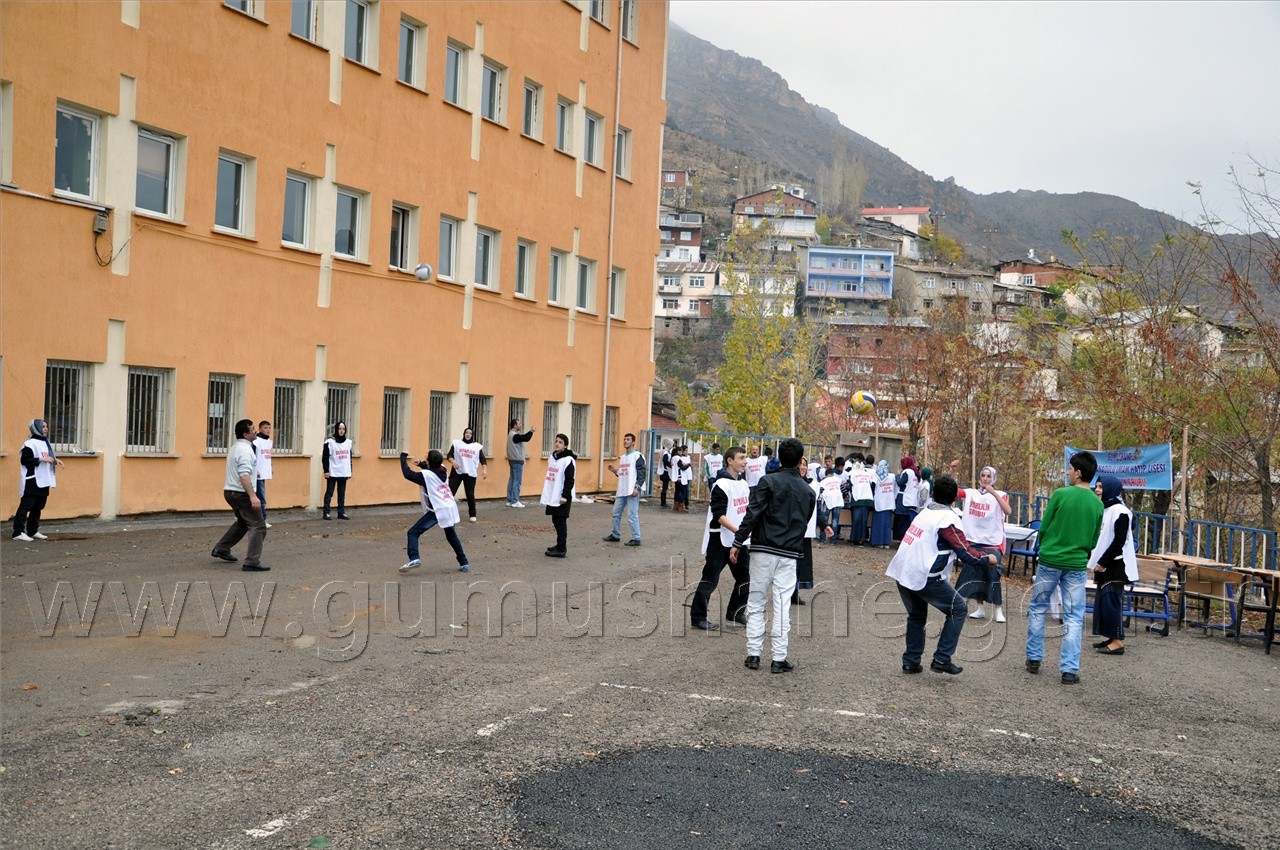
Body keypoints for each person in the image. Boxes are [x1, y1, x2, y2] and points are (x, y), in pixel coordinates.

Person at [886, 475, 996, 675]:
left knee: (917, 615)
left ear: (934, 494)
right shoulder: (947, 519)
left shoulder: (925, 512)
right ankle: (942, 659)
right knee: (959, 609)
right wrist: (987, 558)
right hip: (924, 574)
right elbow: (965, 552)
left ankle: (911, 662)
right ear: (955, 498)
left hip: (903, 570)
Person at [730, 437, 814, 674]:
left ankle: (754, 654)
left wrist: (738, 542)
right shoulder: (808, 491)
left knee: (756, 602)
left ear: (778, 457)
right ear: (800, 461)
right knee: (781, 605)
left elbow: (752, 513)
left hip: (762, 550)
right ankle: (779, 658)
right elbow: (804, 523)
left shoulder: (767, 482)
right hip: (788, 553)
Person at [1026, 450, 1103, 685]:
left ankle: (1034, 658)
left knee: (1039, 608)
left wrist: (1047, 545)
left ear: (1078, 472)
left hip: (1050, 560)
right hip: (1077, 565)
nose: (1068, 473)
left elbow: (1045, 527)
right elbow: (1093, 540)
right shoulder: (1097, 504)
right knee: (1074, 616)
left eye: (1070, 469)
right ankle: (1069, 670)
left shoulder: (1060, 495)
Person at [691, 446, 751, 631]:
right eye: (741, 458)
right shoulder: (721, 485)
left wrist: (743, 535)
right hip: (719, 540)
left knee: (745, 578)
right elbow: (719, 515)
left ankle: (735, 612)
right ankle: (698, 617)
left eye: (746, 457)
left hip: (738, 541)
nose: (745, 461)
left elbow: (744, 511)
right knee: (710, 579)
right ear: (730, 461)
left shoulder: (743, 484)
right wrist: (738, 531)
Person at [955, 465, 1013, 623]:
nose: (985, 479)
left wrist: (993, 493)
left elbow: (1008, 511)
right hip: (974, 540)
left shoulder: (1000, 494)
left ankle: (998, 609)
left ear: (993, 478)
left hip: (992, 542)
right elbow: (955, 492)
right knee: (974, 575)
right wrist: (955, 472)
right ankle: (980, 608)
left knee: (993, 575)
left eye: (988, 476)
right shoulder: (972, 493)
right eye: (983, 475)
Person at [1089, 474, 1138, 656]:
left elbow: (1119, 540)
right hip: (1105, 564)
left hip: (1116, 565)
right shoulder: (1106, 508)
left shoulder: (1121, 511)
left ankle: (1117, 642)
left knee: (1111, 603)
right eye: (1097, 486)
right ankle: (1111, 637)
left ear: (1110, 488)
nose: (1098, 489)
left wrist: (1103, 562)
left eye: (1101, 486)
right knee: (1103, 602)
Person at [398, 449, 469, 574]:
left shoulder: (427, 476)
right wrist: (421, 464)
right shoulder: (443, 469)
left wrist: (403, 457)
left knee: (413, 533)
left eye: (427, 459)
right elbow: (431, 467)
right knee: (451, 535)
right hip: (449, 506)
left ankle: (414, 558)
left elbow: (407, 474)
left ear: (430, 461)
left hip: (437, 509)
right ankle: (464, 562)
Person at [211, 419, 269, 571]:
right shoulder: (245, 450)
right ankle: (252, 562)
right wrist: (253, 496)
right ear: (246, 434)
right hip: (241, 493)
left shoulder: (236, 447)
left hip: (230, 492)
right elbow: (243, 475)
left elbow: (242, 470)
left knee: (243, 522)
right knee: (258, 526)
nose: (256, 430)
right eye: (253, 429)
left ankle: (222, 548)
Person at [13, 419, 63, 542]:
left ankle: (32, 530)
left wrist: (55, 460)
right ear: (36, 428)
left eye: (46, 426)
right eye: (43, 426)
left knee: (38, 506)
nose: (46, 428)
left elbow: (47, 458)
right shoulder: (29, 443)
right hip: (32, 479)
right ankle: (18, 532)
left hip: (44, 479)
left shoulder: (45, 442)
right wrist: (41, 459)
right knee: (26, 506)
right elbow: (25, 460)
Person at [603, 432, 645, 546]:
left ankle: (636, 538)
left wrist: (637, 487)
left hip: (632, 490)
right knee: (616, 513)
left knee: (632, 514)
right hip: (622, 489)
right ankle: (615, 534)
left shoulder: (637, 456)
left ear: (633, 442)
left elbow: (641, 472)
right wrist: (615, 470)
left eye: (628, 439)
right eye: (624, 439)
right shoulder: (623, 458)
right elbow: (623, 473)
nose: (625, 441)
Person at [541, 433, 576, 557]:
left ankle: (562, 549)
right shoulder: (553, 457)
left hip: (562, 496)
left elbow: (569, 480)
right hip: (553, 495)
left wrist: (565, 495)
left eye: (560, 442)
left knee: (561, 521)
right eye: (556, 441)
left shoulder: (568, 460)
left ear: (565, 445)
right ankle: (559, 544)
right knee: (555, 520)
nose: (557, 444)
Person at [447, 427, 488, 522]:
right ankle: (446, 512)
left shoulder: (477, 447)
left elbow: (483, 459)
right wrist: (453, 462)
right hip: (457, 471)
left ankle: (472, 514)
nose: (468, 434)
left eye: (470, 433)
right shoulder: (457, 444)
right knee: (450, 492)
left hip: (470, 472)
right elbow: (449, 455)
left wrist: (485, 470)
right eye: (466, 433)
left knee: (470, 494)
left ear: (472, 435)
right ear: (464, 434)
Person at [321, 421, 353, 520]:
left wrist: (350, 470)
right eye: (339, 428)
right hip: (333, 471)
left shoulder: (348, 443)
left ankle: (341, 512)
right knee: (329, 492)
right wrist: (326, 470)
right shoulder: (329, 442)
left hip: (343, 471)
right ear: (336, 429)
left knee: (341, 493)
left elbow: (349, 457)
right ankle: (326, 512)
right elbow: (325, 457)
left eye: (343, 429)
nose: (341, 431)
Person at [505, 418, 535, 508]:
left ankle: (510, 500)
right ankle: (515, 500)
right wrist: (531, 431)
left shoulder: (511, 434)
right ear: (515, 425)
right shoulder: (515, 435)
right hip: (517, 460)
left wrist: (529, 432)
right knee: (517, 481)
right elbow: (526, 438)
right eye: (519, 424)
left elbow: (523, 437)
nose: (520, 425)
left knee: (512, 479)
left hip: (512, 460)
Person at [848, 455, 875, 545]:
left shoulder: (853, 473)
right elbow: (872, 484)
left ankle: (855, 538)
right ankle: (862, 539)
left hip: (857, 499)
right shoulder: (866, 473)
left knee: (856, 520)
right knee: (864, 521)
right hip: (867, 499)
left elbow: (850, 485)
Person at [893, 455, 921, 540]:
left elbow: (900, 483)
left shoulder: (907, 472)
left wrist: (898, 475)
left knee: (901, 520)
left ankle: (900, 538)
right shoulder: (916, 473)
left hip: (904, 499)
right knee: (907, 521)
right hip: (912, 501)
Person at [870, 459, 896, 548]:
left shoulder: (875, 476)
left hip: (879, 502)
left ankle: (878, 542)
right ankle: (886, 543)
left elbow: (872, 488)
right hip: (889, 501)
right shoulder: (892, 476)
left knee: (879, 523)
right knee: (887, 524)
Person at [253, 421, 273, 528]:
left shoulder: (269, 442)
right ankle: (262, 520)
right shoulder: (256, 441)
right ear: (260, 429)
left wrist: (271, 467)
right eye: (265, 427)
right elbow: (253, 456)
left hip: (265, 472)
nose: (268, 430)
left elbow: (268, 456)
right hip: (258, 473)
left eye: (269, 428)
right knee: (261, 498)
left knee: (259, 496)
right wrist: (255, 469)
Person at [673, 445, 692, 512]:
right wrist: (688, 465)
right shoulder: (679, 459)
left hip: (678, 477)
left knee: (678, 491)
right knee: (684, 491)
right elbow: (682, 468)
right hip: (682, 477)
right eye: (685, 450)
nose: (687, 452)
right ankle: (680, 505)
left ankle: (676, 505)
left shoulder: (675, 458)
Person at [657, 439, 674, 507]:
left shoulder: (663, 451)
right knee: (665, 487)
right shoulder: (666, 453)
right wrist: (671, 466)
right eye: (671, 444)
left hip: (663, 471)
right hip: (665, 471)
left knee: (665, 486)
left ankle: (663, 502)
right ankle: (663, 502)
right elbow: (666, 461)